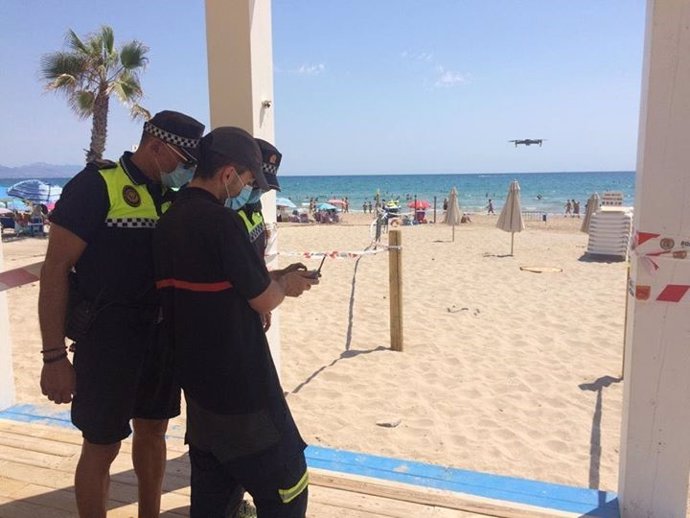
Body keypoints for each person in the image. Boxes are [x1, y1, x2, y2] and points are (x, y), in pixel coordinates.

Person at [38, 110, 204, 518]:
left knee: (154, 432)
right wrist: (54, 357)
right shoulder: (97, 185)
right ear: (156, 147)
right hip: (107, 341)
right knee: (102, 444)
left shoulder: (173, 196)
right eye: (183, 163)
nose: (185, 172)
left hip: (160, 340)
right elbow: (54, 270)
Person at [154, 126, 317, 518]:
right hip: (242, 386)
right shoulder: (222, 224)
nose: (248, 189)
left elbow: (222, 285)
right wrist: (286, 286)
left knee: (215, 490)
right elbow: (262, 297)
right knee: (290, 487)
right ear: (228, 174)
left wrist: (275, 277)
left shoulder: (168, 221)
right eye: (247, 180)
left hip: (198, 384)